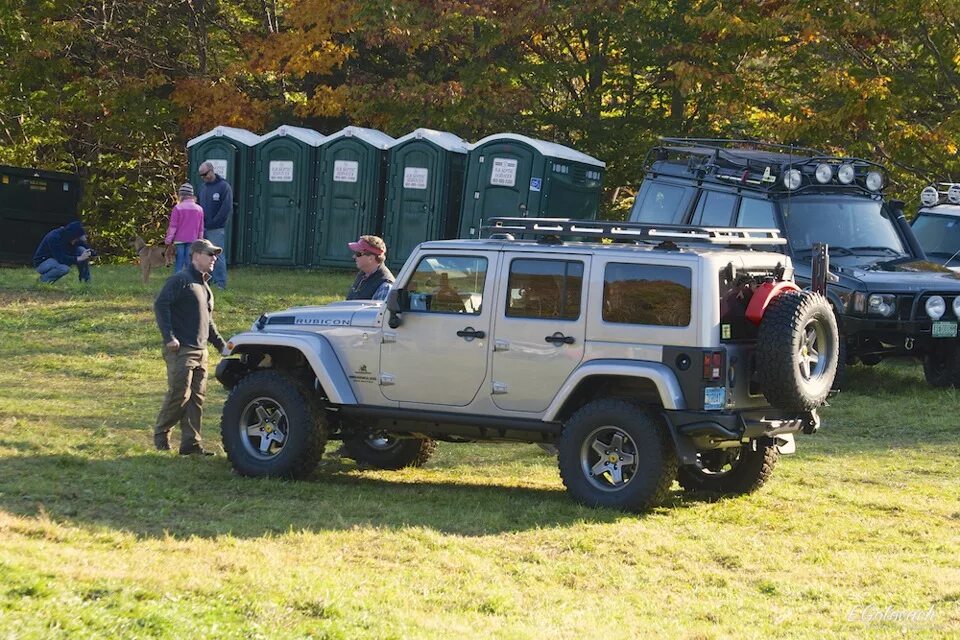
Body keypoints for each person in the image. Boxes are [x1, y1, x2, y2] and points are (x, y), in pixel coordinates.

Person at [152, 238, 227, 456]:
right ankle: (161, 434)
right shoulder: (180, 280)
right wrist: (169, 337)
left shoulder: (205, 286)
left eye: (215, 254)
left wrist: (222, 346)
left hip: (201, 351)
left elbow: (208, 321)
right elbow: (160, 304)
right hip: (181, 349)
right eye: (210, 254)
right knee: (180, 394)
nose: (214, 258)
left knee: (196, 399)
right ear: (195, 255)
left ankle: (191, 445)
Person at [197, 161, 233, 289]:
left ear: (211, 171)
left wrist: (214, 222)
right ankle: (208, 281)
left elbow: (226, 208)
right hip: (203, 227)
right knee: (204, 255)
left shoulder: (224, 187)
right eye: (201, 175)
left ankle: (220, 283)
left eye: (205, 174)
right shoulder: (203, 188)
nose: (203, 177)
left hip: (216, 228)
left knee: (217, 255)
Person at [165, 182, 205, 274]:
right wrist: (200, 239)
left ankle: (177, 279)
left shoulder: (178, 208)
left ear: (181, 195)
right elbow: (201, 227)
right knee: (189, 261)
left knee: (179, 261)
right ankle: (189, 279)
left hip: (179, 239)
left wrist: (169, 239)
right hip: (193, 239)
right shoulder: (199, 209)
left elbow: (173, 226)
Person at [346, 235, 394, 300]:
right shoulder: (363, 275)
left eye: (358, 254)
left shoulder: (385, 286)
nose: (354, 257)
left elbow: (379, 310)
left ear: (371, 258)